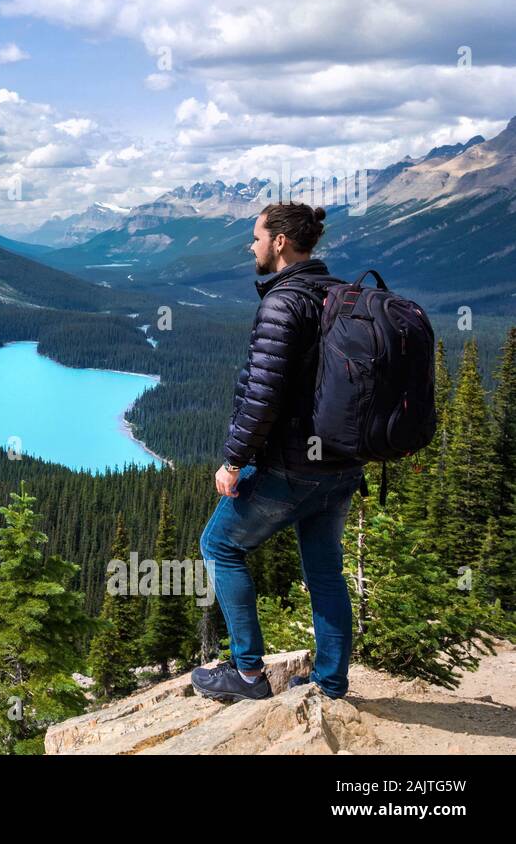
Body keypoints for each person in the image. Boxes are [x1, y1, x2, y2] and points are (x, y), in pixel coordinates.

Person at [190, 202, 366, 702]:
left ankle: (247, 674)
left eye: (257, 237)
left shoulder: (282, 303)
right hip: (341, 465)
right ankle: (330, 682)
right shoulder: (340, 294)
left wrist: (232, 461)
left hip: (292, 466)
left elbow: (261, 395)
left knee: (220, 545)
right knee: (326, 571)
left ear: (281, 242)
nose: (252, 246)